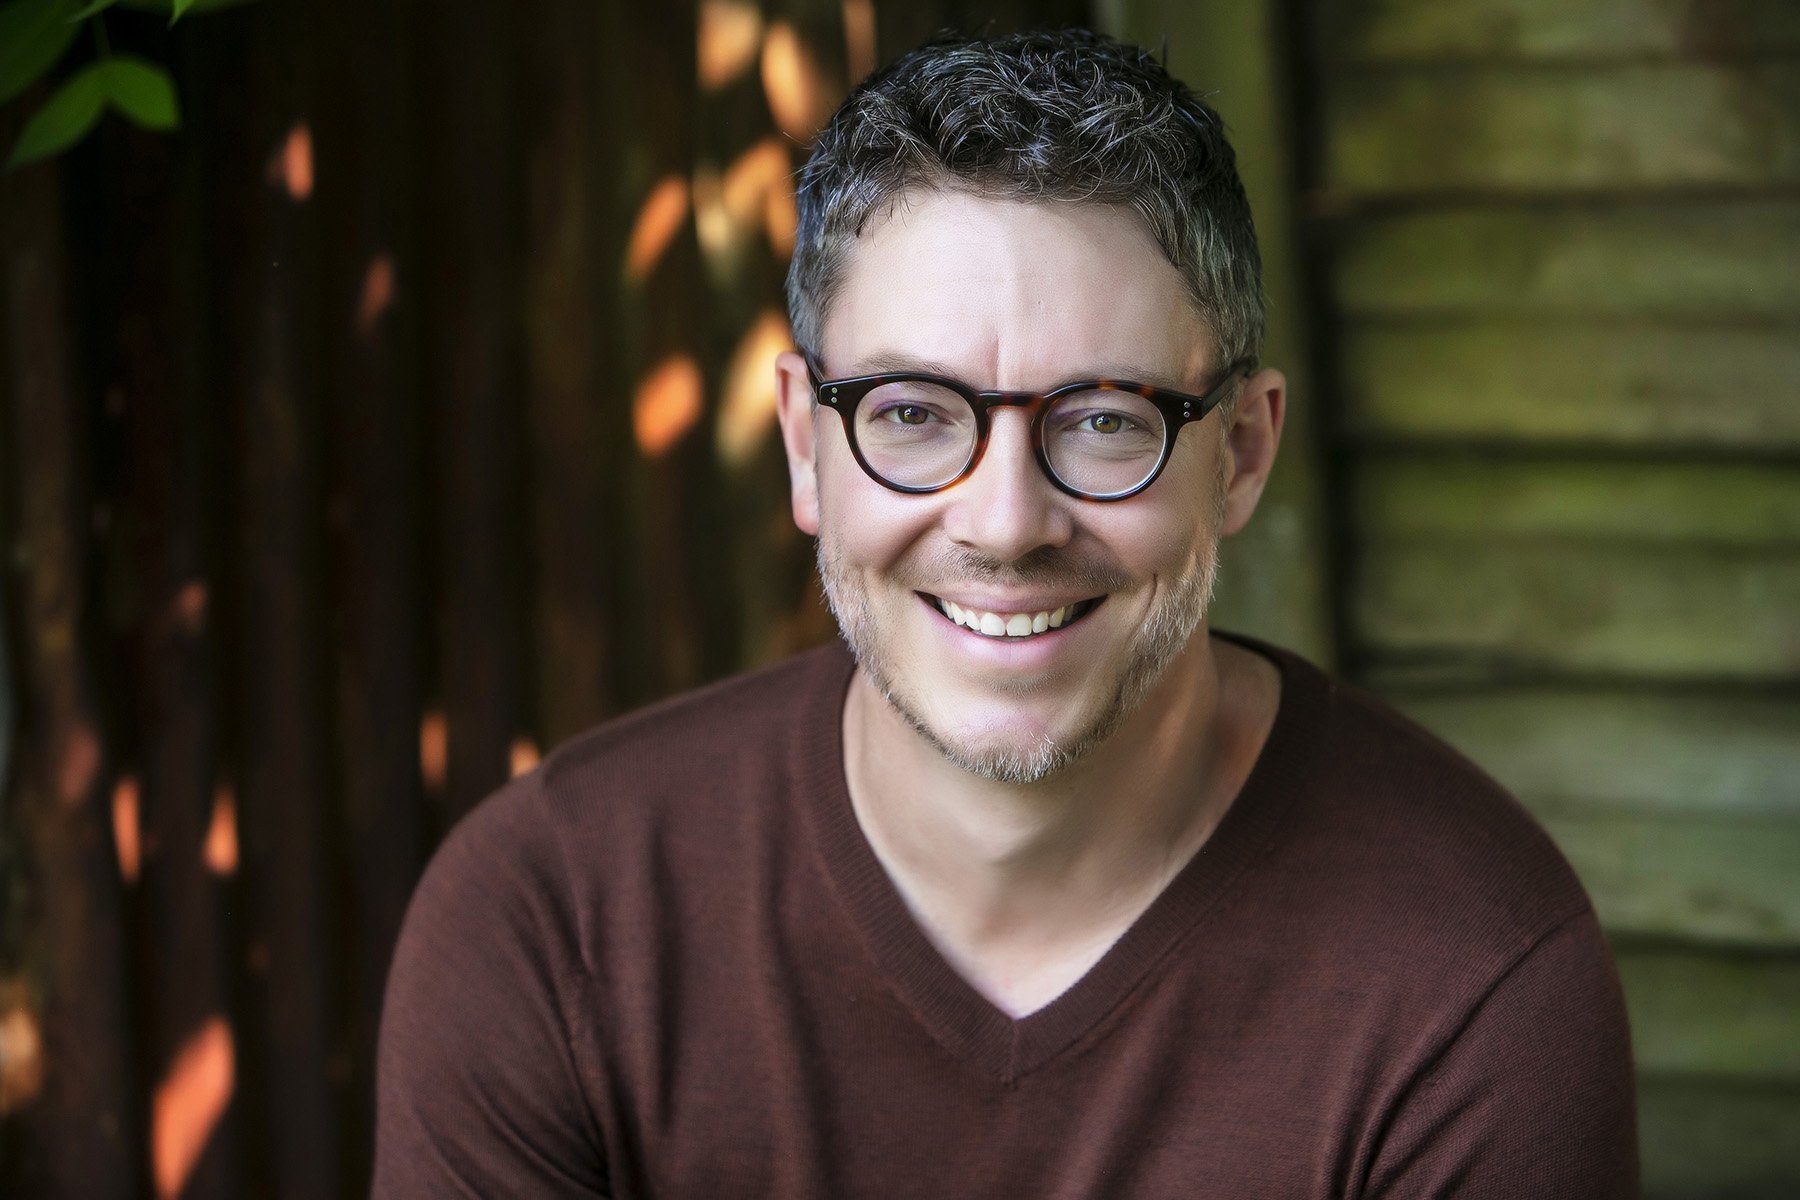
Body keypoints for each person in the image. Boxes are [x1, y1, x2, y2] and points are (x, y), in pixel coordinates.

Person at [373, 28, 1637, 1197]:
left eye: (1104, 422)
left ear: (1242, 455)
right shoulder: (551, 924)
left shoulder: (1467, 973)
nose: (1005, 523)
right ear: (806, 447)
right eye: (913, 414)